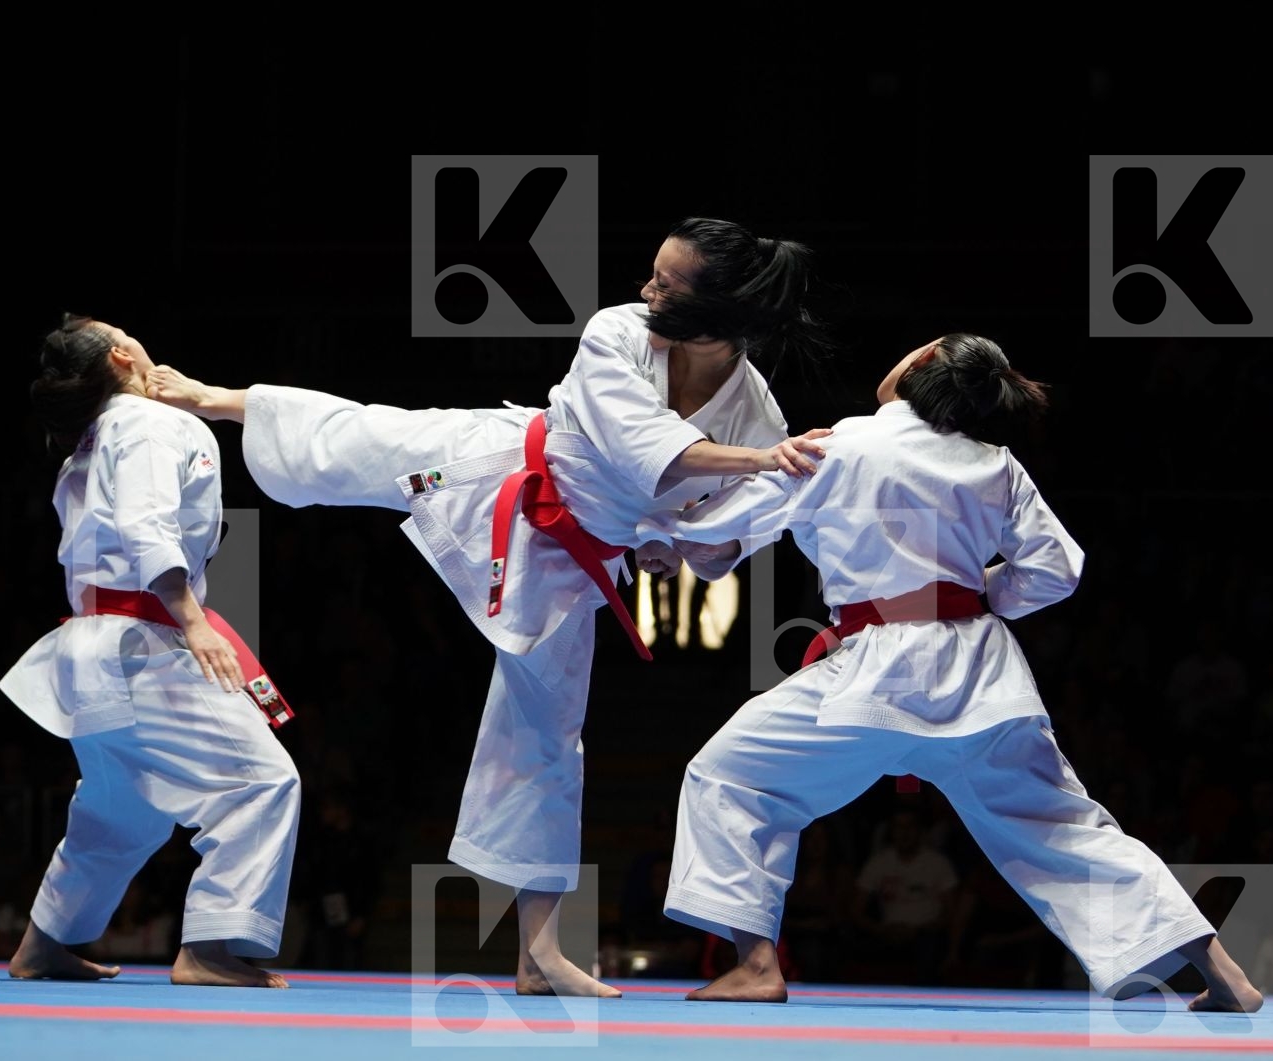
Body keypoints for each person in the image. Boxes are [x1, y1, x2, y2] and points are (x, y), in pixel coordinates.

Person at [147, 219, 832, 997]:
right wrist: (751, 466)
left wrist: (676, 538)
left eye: (666, 284)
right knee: (376, 436)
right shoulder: (619, 333)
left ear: (716, 309)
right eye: (651, 275)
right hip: (507, 470)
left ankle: (539, 953)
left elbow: (719, 536)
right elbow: (646, 450)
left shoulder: (756, 412)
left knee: (546, 739)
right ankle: (216, 397)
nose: (646, 290)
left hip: (572, 565)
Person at [636, 334, 1264, 1010]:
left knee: (729, 774)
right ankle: (1225, 973)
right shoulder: (996, 464)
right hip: (982, 679)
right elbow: (1056, 571)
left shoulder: (845, 444)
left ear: (920, 367)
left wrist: (666, 536)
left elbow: (727, 523)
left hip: (877, 676)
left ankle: (756, 964)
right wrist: (969, 596)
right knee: (1067, 828)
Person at [0, 314, 303, 988]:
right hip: (144, 640)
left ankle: (44, 943)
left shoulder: (93, 436)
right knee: (261, 782)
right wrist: (194, 623)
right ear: (121, 352)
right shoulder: (147, 425)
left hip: (91, 644)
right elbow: (145, 524)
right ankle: (214, 947)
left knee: (121, 808)